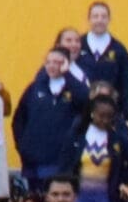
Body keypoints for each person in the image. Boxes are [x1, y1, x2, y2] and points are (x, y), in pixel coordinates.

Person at [59, 93, 128, 202]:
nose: (105, 120)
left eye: (109, 117)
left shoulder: (117, 139)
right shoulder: (77, 135)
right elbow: (64, 167)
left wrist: (119, 178)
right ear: (92, 113)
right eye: (101, 115)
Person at [14, 48, 88, 186]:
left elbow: (87, 102)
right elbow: (19, 118)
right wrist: (22, 146)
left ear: (66, 63)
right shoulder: (35, 87)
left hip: (60, 160)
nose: (51, 66)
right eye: (48, 62)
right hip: (33, 161)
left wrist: (68, 75)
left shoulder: (74, 87)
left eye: (56, 62)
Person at [76, 1, 128, 116]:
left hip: (109, 112)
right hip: (80, 110)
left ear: (109, 19)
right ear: (89, 19)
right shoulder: (78, 45)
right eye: (95, 16)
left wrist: (127, 115)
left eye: (103, 16)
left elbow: (126, 85)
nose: (99, 20)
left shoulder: (119, 50)